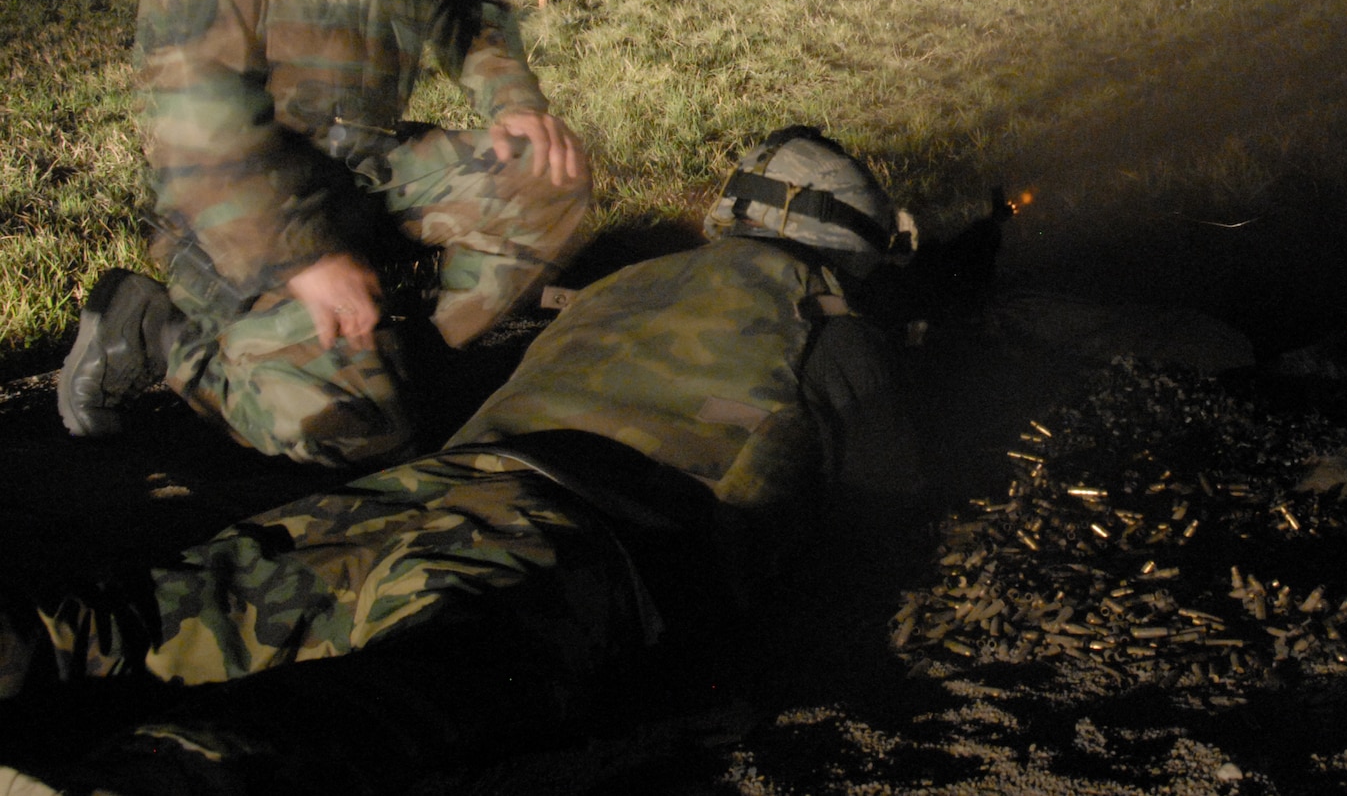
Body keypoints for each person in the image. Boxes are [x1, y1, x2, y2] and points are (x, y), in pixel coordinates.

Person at [2, 127, 938, 796]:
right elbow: (886, 512)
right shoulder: (831, 328)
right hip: (574, 534)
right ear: (850, 245)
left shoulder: (626, 279)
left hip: (422, 489)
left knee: (167, 605)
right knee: (406, 691)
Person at [58, 0, 592, 467]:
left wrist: (513, 102)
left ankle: (406, 358)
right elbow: (199, 143)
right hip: (239, 206)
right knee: (359, 430)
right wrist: (303, 259)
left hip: (363, 167)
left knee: (548, 177)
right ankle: (154, 331)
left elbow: (472, 12)